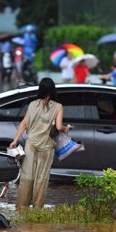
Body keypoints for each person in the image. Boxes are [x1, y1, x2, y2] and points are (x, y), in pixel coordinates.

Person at [9, 77, 71, 209]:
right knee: (41, 179)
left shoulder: (33, 104)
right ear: (53, 90)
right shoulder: (58, 107)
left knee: (27, 177)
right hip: (46, 147)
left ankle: (21, 208)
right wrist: (67, 128)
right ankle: (37, 209)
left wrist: (15, 140)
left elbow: (24, 123)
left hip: (31, 145)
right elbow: (59, 128)